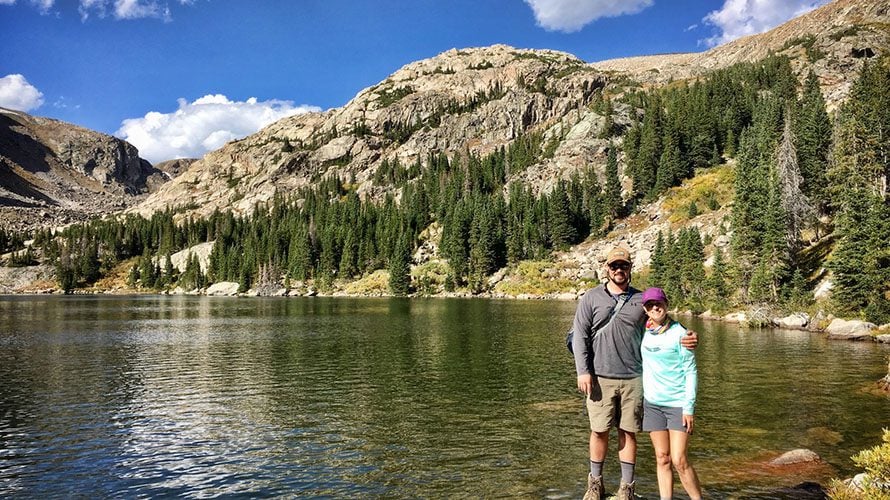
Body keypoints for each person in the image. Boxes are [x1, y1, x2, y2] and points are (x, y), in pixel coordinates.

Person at [571, 247, 697, 500]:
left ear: (630, 269)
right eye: (614, 266)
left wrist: (688, 335)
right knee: (599, 430)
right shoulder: (591, 298)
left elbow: (662, 321)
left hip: (634, 378)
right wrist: (583, 371)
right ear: (606, 269)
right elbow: (580, 336)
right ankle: (595, 484)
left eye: (624, 266)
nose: (619, 270)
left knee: (627, 431)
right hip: (599, 377)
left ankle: (627, 488)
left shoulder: (641, 300)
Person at [640, 287, 702, 500]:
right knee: (662, 457)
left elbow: (691, 371)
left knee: (679, 460)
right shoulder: (643, 330)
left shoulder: (680, 334)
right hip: (652, 404)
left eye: (658, 303)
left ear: (666, 304)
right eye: (650, 305)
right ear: (645, 309)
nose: (655, 307)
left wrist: (689, 407)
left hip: (677, 404)